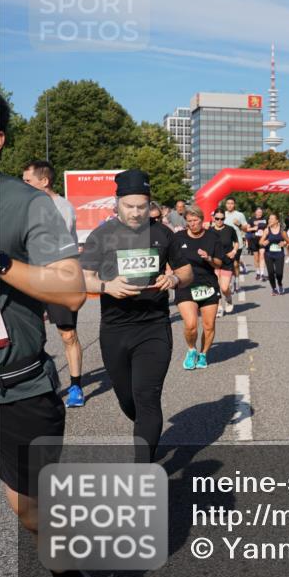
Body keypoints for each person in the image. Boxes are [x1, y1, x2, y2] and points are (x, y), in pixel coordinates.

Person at [0, 95, 92, 577]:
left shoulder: (29, 204)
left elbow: (71, 290)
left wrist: (2, 264)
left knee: (29, 508)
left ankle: (68, 575)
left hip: (15, 387)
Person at [80, 170, 192, 465]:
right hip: (115, 329)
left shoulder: (163, 234)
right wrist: (106, 286)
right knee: (128, 400)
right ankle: (144, 426)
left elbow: (186, 271)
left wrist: (174, 279)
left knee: (147, 398)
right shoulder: (101, 235)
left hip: (153, 326)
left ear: (149, 204)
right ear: (117, 202)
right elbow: (84, 278)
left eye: (142, 206)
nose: (135, 212)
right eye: (129, 206)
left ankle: (142, 471)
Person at [21, 160, 86, 408]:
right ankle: (36, 383)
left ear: (44, 181)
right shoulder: (26, 206)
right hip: (30, 278)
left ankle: (76, 386)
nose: (23, 184)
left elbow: (53, 245)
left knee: (67, 335)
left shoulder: (62, 207)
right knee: (30, 335)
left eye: (28, 181)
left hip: (59, 279)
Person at [172, 205, 222, 370]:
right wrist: (170, 274)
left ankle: (203, 354)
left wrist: (208, 258)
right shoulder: (178, 237)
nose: (192, 224)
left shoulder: (212, 237)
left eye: (195, 220)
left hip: (207, 284)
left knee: (209, 325)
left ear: (202, 220)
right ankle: (191, 349)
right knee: (191, 324)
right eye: (189, 221)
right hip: (186, 284)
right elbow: (170, 259)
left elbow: (219, 263)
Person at [209, 210, 238, 317]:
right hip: (214, 262)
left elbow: (236, 242)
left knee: (224, 287)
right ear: (213, 218)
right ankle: (219, 307)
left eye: (222, 219)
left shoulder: (230, 229)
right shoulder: (209, 231)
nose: (219, 221)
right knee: (216, 286)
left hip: (227, 261)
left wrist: (234, 251)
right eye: (217, 218)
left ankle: (228, 298)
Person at [259, 213, 287, 295]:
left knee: (279, 273)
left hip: (279, 255)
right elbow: (260, 242)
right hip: (269, 254)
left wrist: (284, 243)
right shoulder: (267, 230)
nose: (269, 220)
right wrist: (264, 242)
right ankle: (274, 288)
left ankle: (280, 284)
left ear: (277, 220)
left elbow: (288, 240)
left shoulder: (282, 230)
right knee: (270, 272)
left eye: (272, 219)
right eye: (269, 219)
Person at [223, 198, 249, 284]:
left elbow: (246, 229)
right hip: (225, 243)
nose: (230, 205)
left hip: (237, 243)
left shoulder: (240, 215)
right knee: (226, 264)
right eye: (228, 203)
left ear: (234, 205)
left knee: (235, 264)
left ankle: (236, 282)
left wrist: (239, 224)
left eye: (232, 203)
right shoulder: (223, 215)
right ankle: (229, 283)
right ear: (225, 204)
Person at [248, 208, 268, 281]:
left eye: (261, 212)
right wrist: (253, 228)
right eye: (258, 212)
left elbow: (268, 227)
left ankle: (262, 274)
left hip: (262, 240)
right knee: (256, 257)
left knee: (262, 256)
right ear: (255, 213)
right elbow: (247, 229)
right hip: (254, 240)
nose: (260, 213)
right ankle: (258, 273)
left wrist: (265, 232)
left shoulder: (265, 219)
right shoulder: (251, 220)